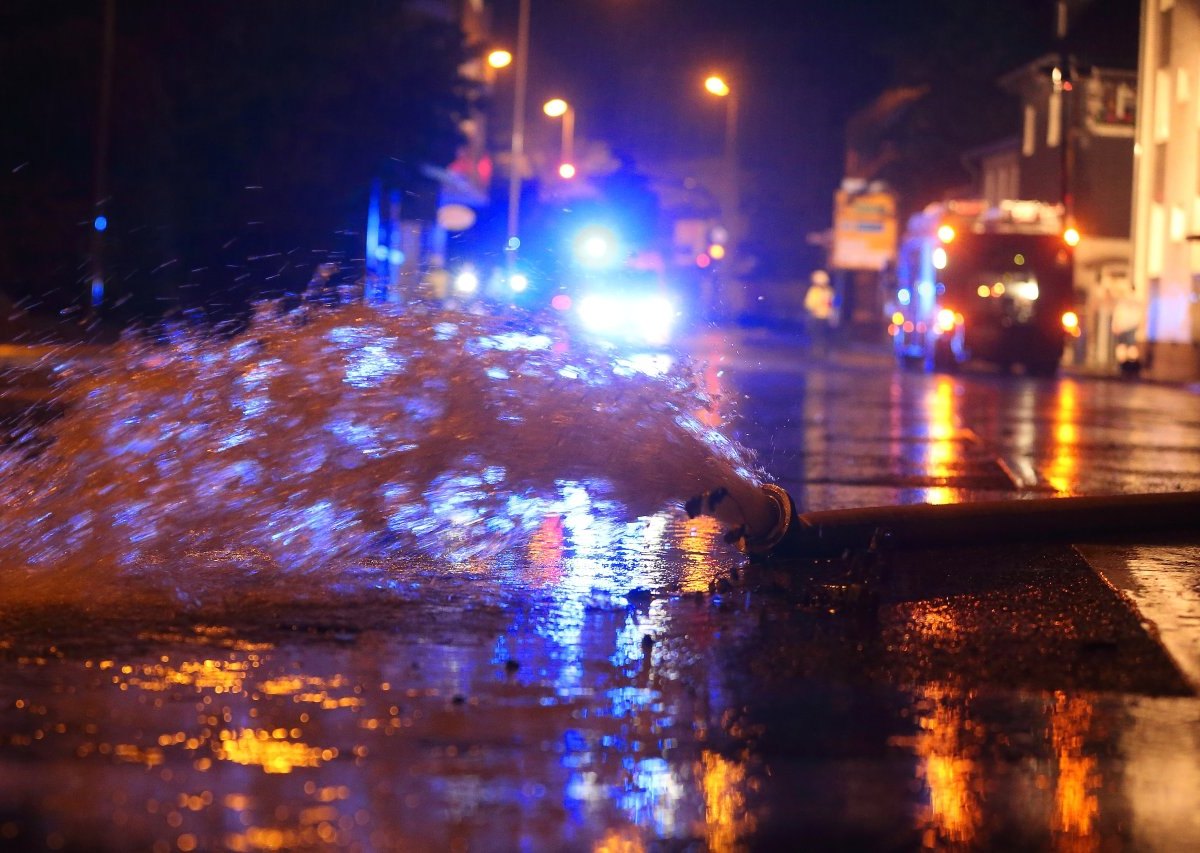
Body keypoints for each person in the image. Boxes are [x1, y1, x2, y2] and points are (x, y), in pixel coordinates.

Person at [804, 269, 836, 354]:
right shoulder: (814, 290)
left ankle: (822, 350)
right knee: (816, 335)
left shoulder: (828, 291)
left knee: (823, 335)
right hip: (816, 316)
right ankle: (816, 349)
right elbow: (809, 304)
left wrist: (831, 313)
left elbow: (832, 303)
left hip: (825, 316)